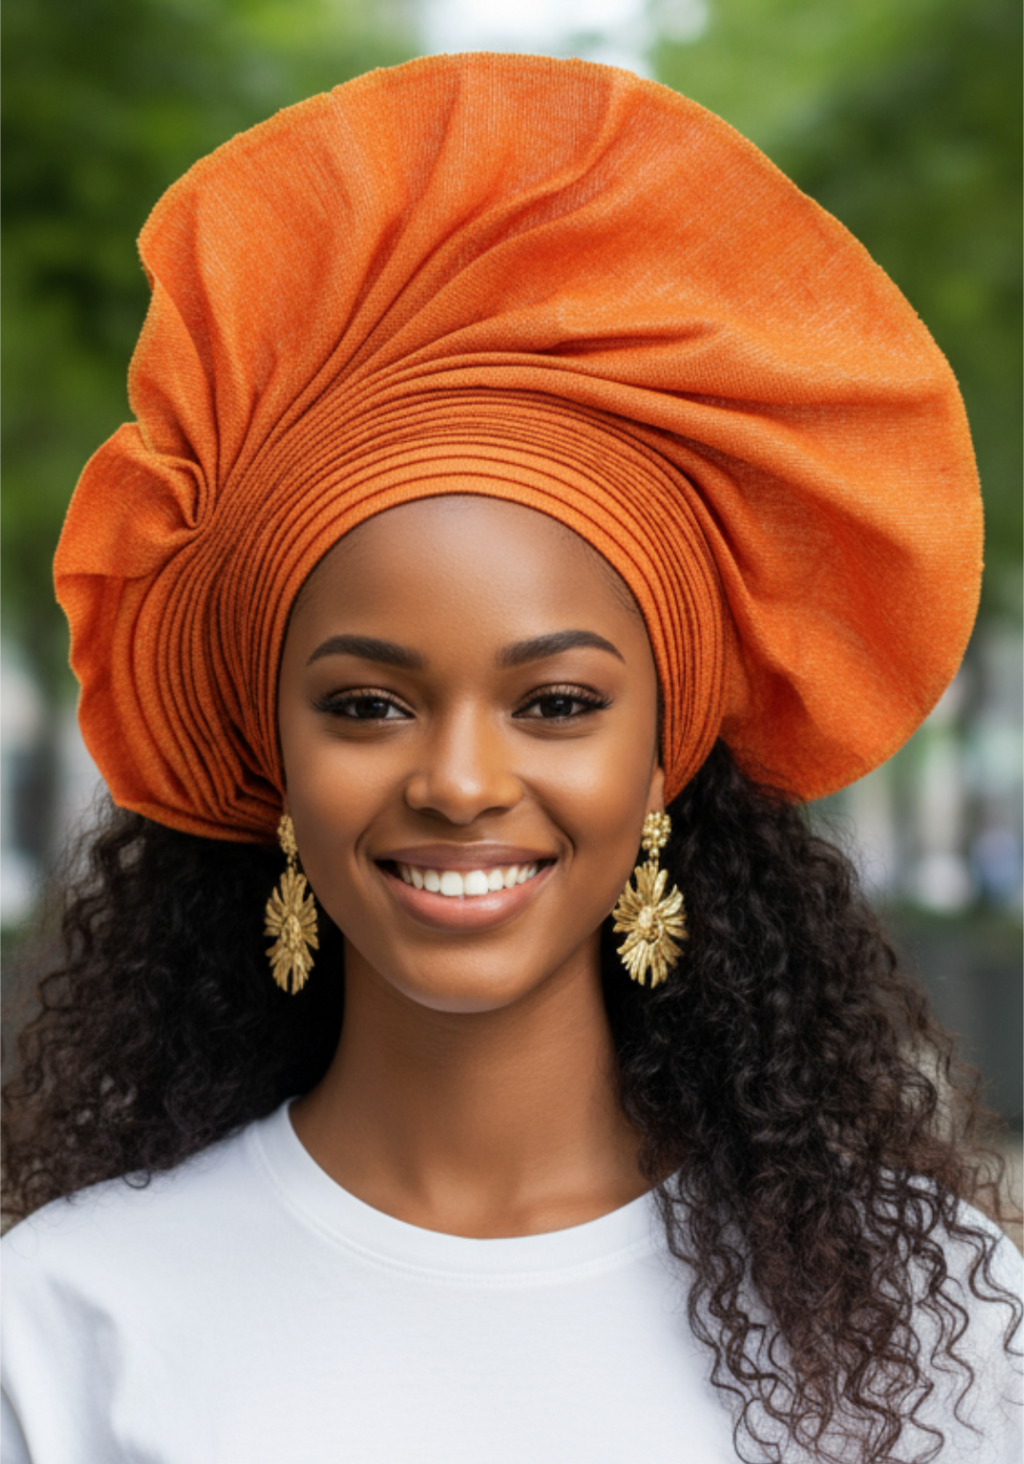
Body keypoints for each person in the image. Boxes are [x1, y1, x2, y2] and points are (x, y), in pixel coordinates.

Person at [0, 51, 1021, 1464]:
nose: (462, 783)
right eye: (366, 706)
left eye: (556, 704)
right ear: (268, 757)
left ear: (665, 762)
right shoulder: (66, 1323)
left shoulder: (940, 1321)